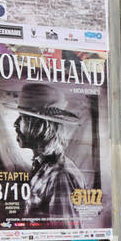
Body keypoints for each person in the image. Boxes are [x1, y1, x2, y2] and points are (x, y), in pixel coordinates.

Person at [9, 83, 86, 227]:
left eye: (22, 117)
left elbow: (65, 236)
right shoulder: (44, 167)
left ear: (40, 125)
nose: (15, 124)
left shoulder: (59, 176)